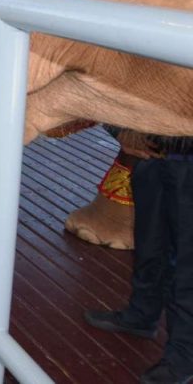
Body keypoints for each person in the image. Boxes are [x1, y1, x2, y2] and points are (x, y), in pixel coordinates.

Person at [85, 131, 193, 384]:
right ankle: (141, 314)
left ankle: (183, 356)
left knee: (188, 264)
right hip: (153, 154)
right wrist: (123, 133)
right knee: (149, 244)